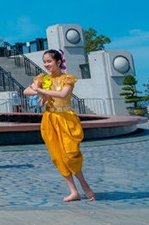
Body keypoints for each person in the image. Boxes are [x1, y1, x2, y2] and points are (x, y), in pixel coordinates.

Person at [24, 49, 96, 202]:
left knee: (70, 154)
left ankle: (84, 185)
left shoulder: (67, 79)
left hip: (66, 118)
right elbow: (26, 91)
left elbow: (63, 94)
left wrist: (41, 90)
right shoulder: (43, 78)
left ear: (58, 62)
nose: (46, 64)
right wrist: (40, 92)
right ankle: (73, 191)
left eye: (49, 61)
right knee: (57, 156)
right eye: (45, 61)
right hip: (50, 119)